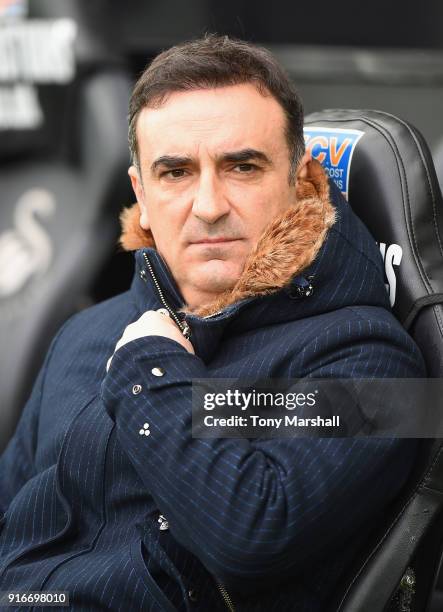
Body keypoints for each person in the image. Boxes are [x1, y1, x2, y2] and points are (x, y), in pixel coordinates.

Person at [0, 35, 425, 611]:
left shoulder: (379, 367)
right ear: (141, 195)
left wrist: (151, 372)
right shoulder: (85, 335)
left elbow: (253, 535)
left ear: (300, 180)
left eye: (242, 166)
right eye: (175, 172)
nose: (208, 204)